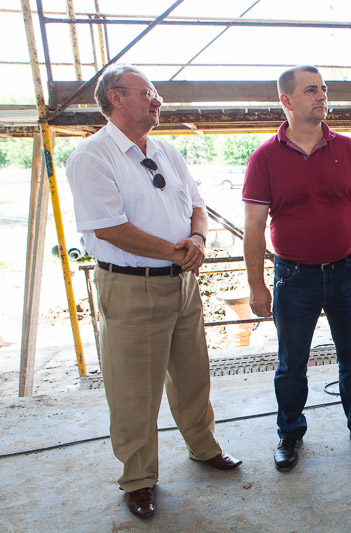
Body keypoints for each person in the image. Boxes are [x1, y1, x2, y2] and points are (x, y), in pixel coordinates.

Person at [65, 64, 241, 519]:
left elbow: (197, 206)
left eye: (156, 93)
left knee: (192, 375)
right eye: (147, 93)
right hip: (132, 286)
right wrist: (177, 252)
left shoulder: (166, 151)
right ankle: (139, 478)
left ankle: (203, 447)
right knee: (134, 391)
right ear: (116, 98)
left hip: (182, 284)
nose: (157, 100)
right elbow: (109, 228)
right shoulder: (93, 156)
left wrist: (197, 240)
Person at [242, 65, 351, 472]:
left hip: (345, 272)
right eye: (311, 90)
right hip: (293, 278)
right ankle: (289, 434)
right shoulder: (264, 158)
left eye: (323, 88)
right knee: (292, 364)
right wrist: (256, 286)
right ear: (286, 100)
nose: (322, 95)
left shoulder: (349, 150)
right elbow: (253, 227)